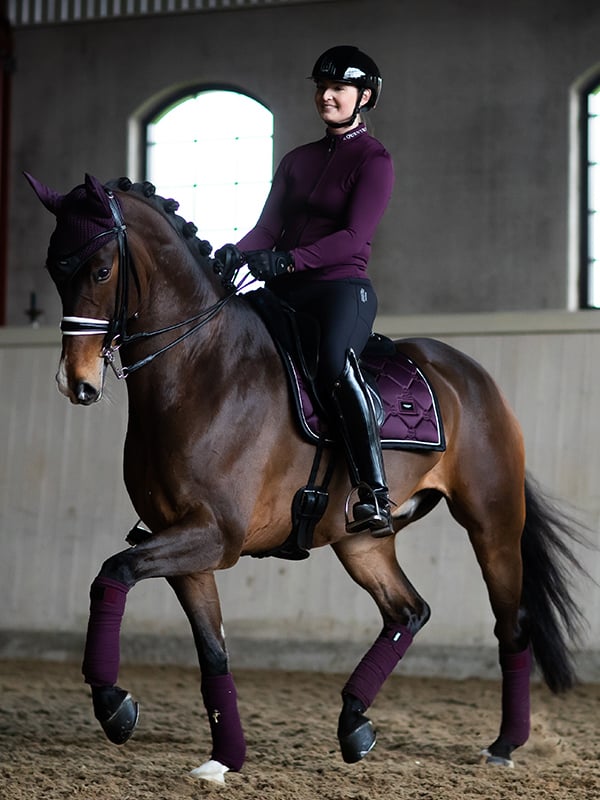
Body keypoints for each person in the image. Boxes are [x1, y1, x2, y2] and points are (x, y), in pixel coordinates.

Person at [215, 45, 395, 536]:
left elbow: (353, 237)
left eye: (338, 88)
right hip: (284, 290)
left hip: (340, 291)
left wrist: (289, 259)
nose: (326, 96)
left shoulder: (374, 160)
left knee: (334, 366)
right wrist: (231, 252)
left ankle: (374, 492)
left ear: (364, 97)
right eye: (321, 88)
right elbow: (266, 229)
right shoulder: (297, 160)